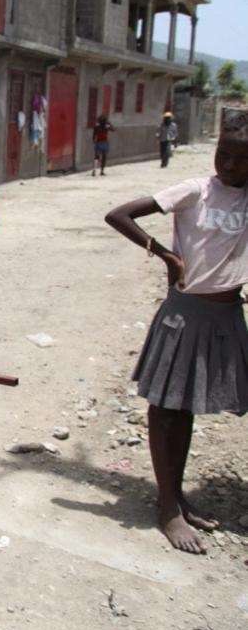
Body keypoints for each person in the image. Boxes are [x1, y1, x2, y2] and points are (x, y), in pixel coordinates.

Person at [104, 112, 248, 555]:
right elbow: (119, 214)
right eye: (224, 154)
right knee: (166, 407)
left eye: (242, 159)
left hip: (225, 319)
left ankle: (177, 493)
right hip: (183, 314)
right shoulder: (195, 191)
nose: (230, 165)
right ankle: (166, 505)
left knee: (187, 408)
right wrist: (165, 256)